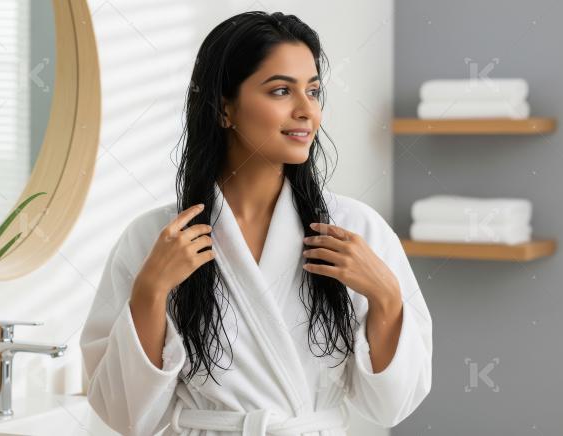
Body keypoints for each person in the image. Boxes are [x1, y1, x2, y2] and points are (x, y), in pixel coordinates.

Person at [80, 11, 432, 435]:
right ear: (224, 108)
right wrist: (150, 291)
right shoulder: (155, 240)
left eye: (313, 91)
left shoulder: (357, 230)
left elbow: (392, 406)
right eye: (281, 90)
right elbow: (124, 415)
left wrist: (387, 297)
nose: (307, 110)